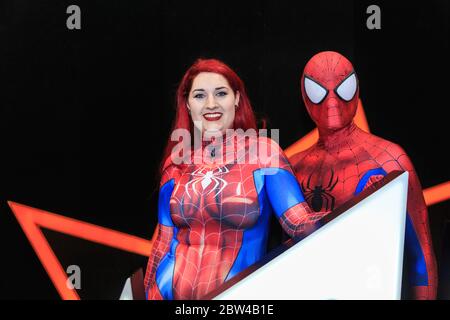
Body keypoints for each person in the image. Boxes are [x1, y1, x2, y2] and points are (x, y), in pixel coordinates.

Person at [144, 59, 328, 300]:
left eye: (221, 93)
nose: (211, 104)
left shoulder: (264, 154)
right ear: (188, 105)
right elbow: (162, 246)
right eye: (199, 96)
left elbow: (299, 222)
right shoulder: (176, 165)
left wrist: (359, 213)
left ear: (237, 98)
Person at [289, 51, 438, 299]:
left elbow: (420, 255)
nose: (332, 102)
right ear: (305, 99)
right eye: (318, 91)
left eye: (343, 88)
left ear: (356, 90)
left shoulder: (389, 158)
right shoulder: (294, 168)